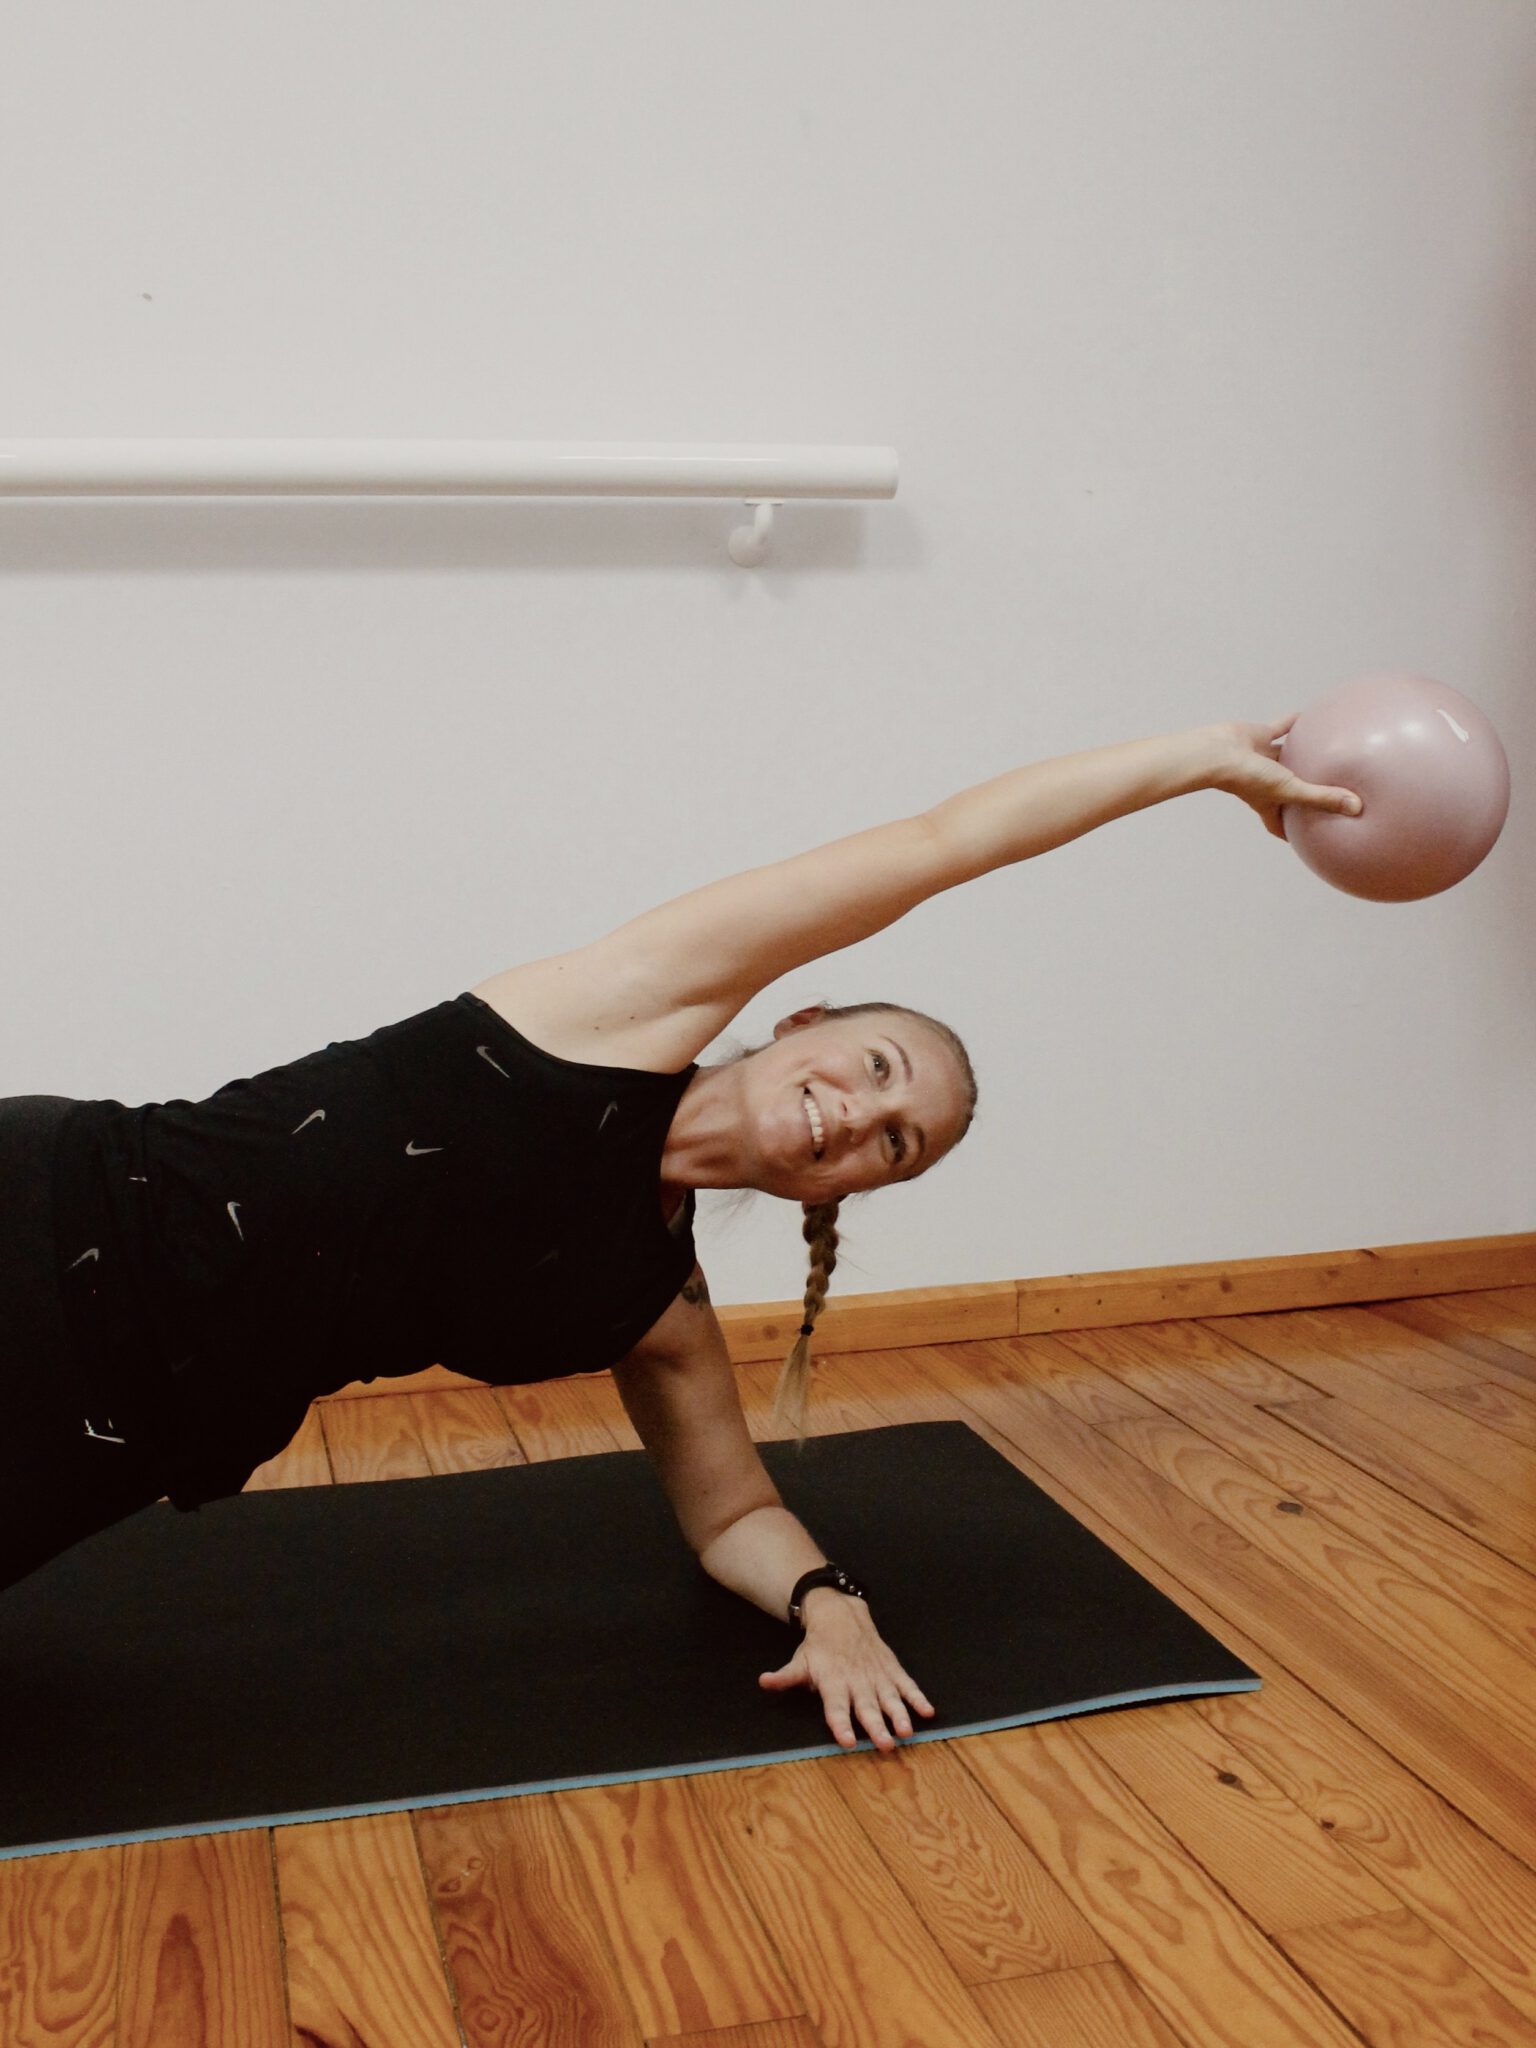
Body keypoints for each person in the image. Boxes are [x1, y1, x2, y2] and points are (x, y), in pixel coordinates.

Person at [0, 715, 1361, 1753]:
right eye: (878, 1066)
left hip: (129, 1439)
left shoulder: (650, 1296)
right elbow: (951, 844)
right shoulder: (621, 1009)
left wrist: (833, 1605)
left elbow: (731, 1514)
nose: (861, 1115)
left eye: (902, 1142)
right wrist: (1197, 761)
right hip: (51, 1218)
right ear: (805, 1019)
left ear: (850, 1193)